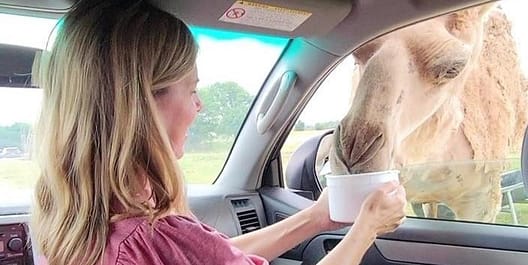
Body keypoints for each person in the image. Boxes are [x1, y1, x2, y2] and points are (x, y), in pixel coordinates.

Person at [31, 0, 407, 264]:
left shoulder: (67, 217)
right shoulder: (155, 236)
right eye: (192, 90)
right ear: (142, 106)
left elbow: (211, 257)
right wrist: (365, 230)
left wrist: (316, 218)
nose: (200, 106)